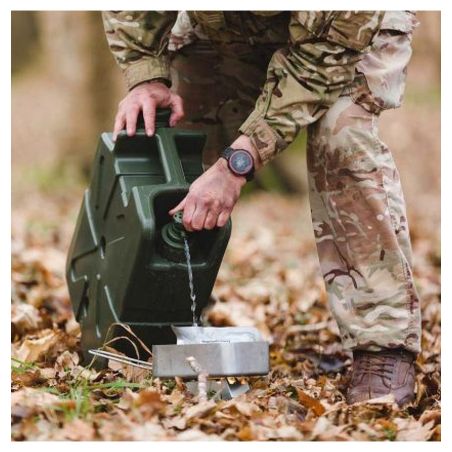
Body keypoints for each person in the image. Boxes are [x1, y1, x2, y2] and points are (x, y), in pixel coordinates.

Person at [102, 11, 421, 406]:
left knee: (342, 137)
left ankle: (383, 344)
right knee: (172, 128)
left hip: (342, 39)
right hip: (225, 26)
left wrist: (237, 162)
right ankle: (157, 318)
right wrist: (145, 75)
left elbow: (319, 65)